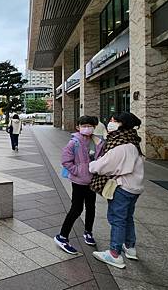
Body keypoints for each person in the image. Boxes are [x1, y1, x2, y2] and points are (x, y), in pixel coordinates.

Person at [89, 112, 145, 269]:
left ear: (122, 124)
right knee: (127, 217)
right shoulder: (132, 141)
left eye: (113, 121)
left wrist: (90, 165)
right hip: (135, 187)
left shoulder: (121, 145)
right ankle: (130, 247)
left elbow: (103, 165)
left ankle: (114, 254)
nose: (110, 123)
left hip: (123, 187)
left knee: (117, 219)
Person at [54, 116, 105, 255]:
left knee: (91, 207)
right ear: (78, 127)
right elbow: (65, 161)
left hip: (92, 180)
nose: (87, 128)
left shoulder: (98, 141)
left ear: (94, 127)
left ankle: (88, 232)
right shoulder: (73, 143)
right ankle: (62, 236)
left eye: (90, 125)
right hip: (78, 181)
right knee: (76, 209)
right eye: (84, 125)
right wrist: (78, 171)